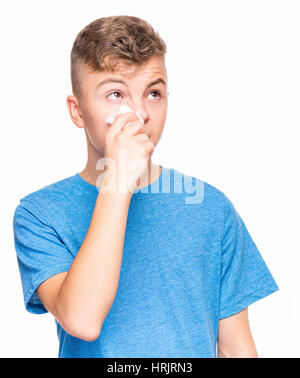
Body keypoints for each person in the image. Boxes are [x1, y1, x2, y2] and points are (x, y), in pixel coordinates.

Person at [12, 15, 279, 358]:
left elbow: (236, 349)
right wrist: (118, 180)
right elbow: (82, 319)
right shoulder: (40, 214)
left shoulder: (211, 208)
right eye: (115, 94)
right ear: (77, 112)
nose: (139, 114)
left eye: (153, 93)